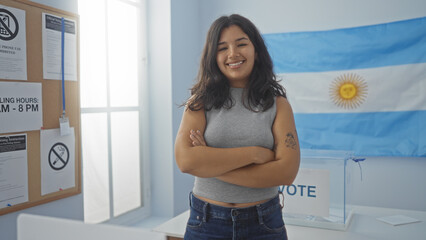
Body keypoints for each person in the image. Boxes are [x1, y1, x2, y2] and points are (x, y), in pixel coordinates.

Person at [175, 14, 300, 240]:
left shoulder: (278, 105)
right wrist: (255, 154)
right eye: (222, 48)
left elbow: (286, 172)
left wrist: (209, 163)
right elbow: (186, 161)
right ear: (213, 56)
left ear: (257, 51)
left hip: (264, 223)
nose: (233, 53)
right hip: (206, 221)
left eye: (241, 44)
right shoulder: (199, 102)